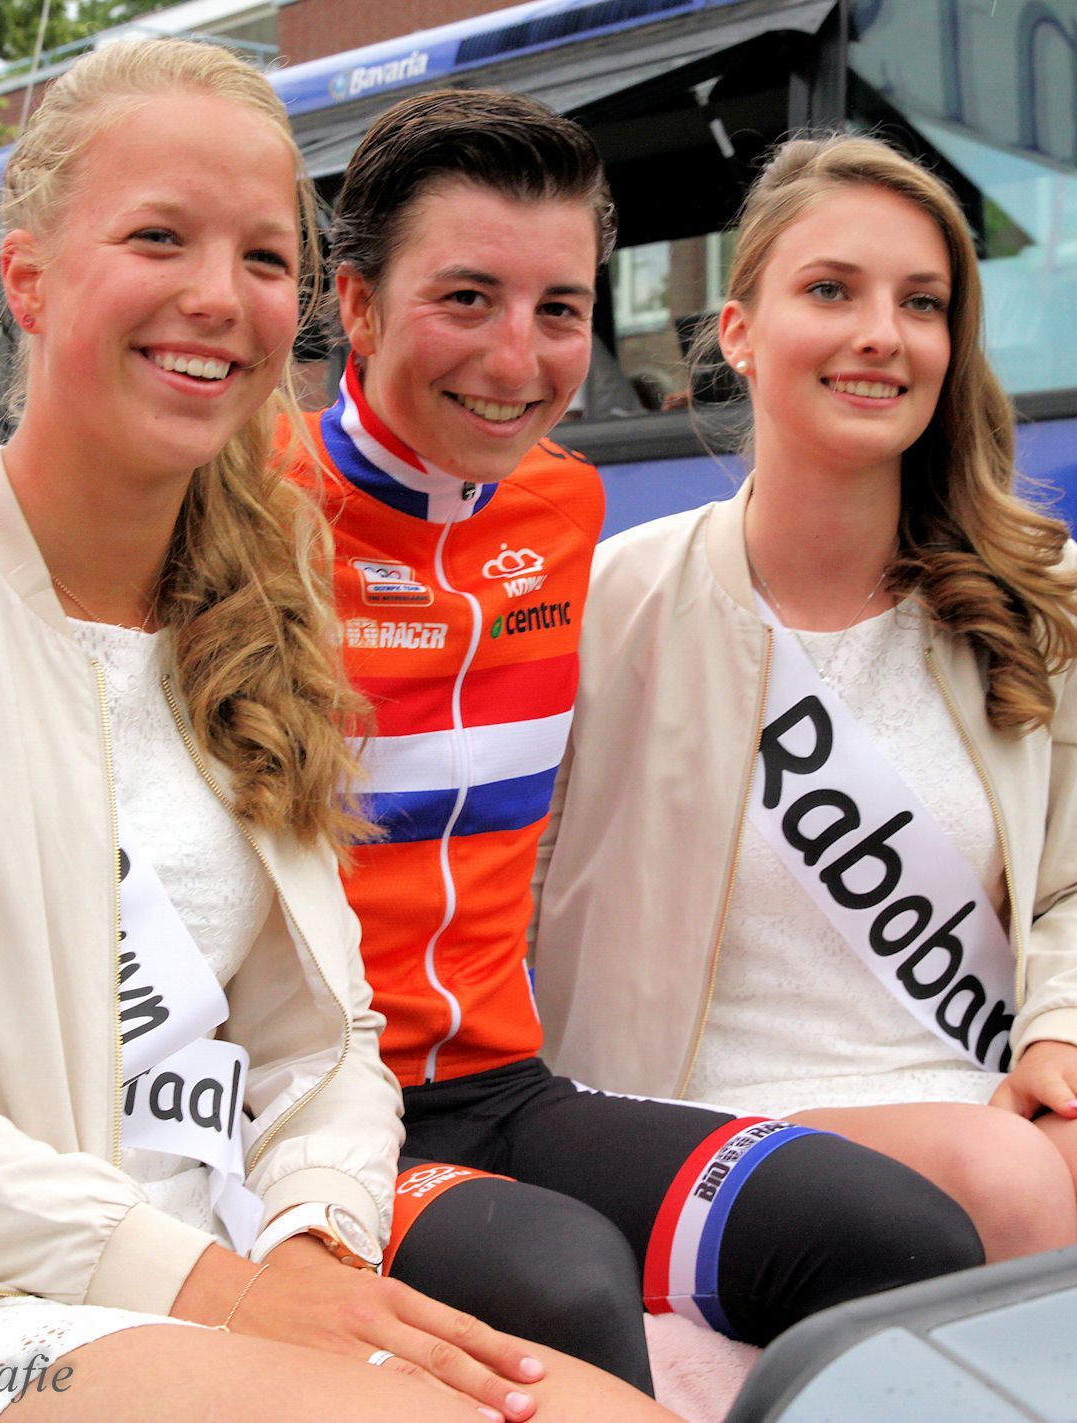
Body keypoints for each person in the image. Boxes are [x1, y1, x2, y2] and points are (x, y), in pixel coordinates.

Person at [0, 40, 681, 1423]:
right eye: (157, 237)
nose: (216, 297)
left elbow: (325, 1036)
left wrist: (311, 1229)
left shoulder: (261, 616)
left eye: (259, 257)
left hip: (208, 1270)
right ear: (30, 275)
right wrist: (221, 1290)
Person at [288, 92, 985, 1396]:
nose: (518, 356)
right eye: (466, 298)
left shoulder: (564, 500)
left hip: (500, 1086)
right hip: (305, 1123)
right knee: (560, 1281)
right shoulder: (245, 515)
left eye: (558, 308)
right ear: (360, 305)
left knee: (902, 1236)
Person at [532, 133, 1077, 1265]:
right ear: (737, 331)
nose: (882, 333)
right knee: (1001, 1182)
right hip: (694, 1116)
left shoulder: (1034, 591)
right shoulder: (608, 601)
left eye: (921, 303)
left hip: (969, 1079)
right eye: (830, 290)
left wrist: (1068, 1035)